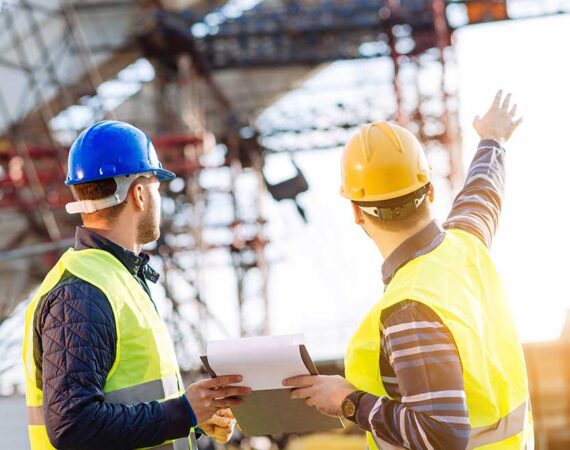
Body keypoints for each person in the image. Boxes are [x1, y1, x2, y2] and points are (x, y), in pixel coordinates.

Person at [284, 91, 534, 449]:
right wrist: (492, 138)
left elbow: (442, 435)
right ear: (430, 191)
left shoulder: (410, 307)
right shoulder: (465, 246)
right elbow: (483, 193)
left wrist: (347, 401)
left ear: (356, 212)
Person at [22, 121, 251, 450]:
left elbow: (132, 405)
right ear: (139, 194)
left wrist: (193, 421)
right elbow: (73, 427)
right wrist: (183, 410)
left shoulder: (114, 279)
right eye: (157, 185)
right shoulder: (83, 291)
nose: (159, 196)